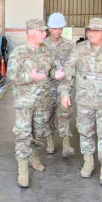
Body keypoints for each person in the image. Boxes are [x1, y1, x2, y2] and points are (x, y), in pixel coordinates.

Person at [60, 17, 102, 185]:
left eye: (95, 31)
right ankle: (88, 162)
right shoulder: (79, 49)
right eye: (89, 30)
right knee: (85, 132)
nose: (91, 33)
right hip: (85, 101)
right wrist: (64, 93)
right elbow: (68, 73)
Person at [6, 19, 56, 188]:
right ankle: (23, 170)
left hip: (43, 101)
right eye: (42, 31)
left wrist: (58, 73)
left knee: (39, 133)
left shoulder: (47, 52)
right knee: (23, 134)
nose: (45, 33)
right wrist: (30, 78)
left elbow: (53, 68)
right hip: (24, 102)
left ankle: (33, 155)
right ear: (31, 32)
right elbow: (11, 76)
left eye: (45, 31)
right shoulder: (19, 53)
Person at [42, 12, 77, 157]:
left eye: (60, 28)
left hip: (64, 85)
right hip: (47, 86)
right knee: (46, 115)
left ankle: (66, 144)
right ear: (49, 28)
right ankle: (50, 142)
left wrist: (65, 78)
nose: (57, 31)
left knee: (65, 113)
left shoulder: (70, 45)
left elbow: (72, 64)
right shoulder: (43, 45)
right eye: (54, 28)